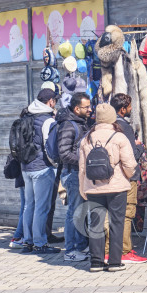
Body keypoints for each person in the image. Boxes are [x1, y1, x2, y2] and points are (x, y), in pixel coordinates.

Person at [78, 103, 137, 272]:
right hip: (116, 187)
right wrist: (127, 175)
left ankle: (96, 262)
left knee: (96, 223)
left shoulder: (87, 138)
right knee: (117, 223)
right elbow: (129, 164)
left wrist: (83, 188)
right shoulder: (119, 137)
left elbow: (82, 167)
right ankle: (114, 262)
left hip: (93, 187)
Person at [107, 93, 147, 264]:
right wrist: (141, 147)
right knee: (127, 213)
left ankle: (108, 250)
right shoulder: (125, 127)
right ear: (122, 109)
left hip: (108, 177)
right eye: (129, 106)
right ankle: (124, 250)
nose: (131, 109)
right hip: (126, 177)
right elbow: (130, 155)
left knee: (111, 214)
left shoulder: (104, 126)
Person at [20, 88, 60, 254]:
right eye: (55, 101)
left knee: (28, 205)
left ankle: (27, 242)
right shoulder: (48, 121)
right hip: (41, 168)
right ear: (50, 101)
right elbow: (49, 147)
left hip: (25, 167)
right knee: (42, 207)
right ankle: (40, 243)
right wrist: (54, 164)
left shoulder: (26, 116)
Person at [56, 92, 91, 261]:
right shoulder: (68, 126)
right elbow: (64, 153)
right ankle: (70, 250)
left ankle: (81, 246)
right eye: (86, 107)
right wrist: (84, 161)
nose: (90, 110)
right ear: (77, 108)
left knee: (81, 211)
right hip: (72, 174)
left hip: (79, 172)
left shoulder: (80, 123)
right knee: (74, 212)